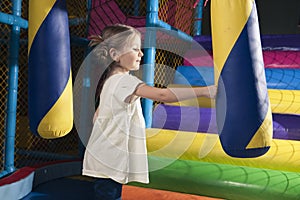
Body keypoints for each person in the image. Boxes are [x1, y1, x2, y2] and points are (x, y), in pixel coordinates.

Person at [82, 24, 217, 200]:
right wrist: (204, 91)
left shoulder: (110, 81)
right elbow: (162, 94)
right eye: (135, 49)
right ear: (115, 55)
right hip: (110, 159)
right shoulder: (124, 82)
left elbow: (97, 116)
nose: (141, 54)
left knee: (109, 193)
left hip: (104, 156)